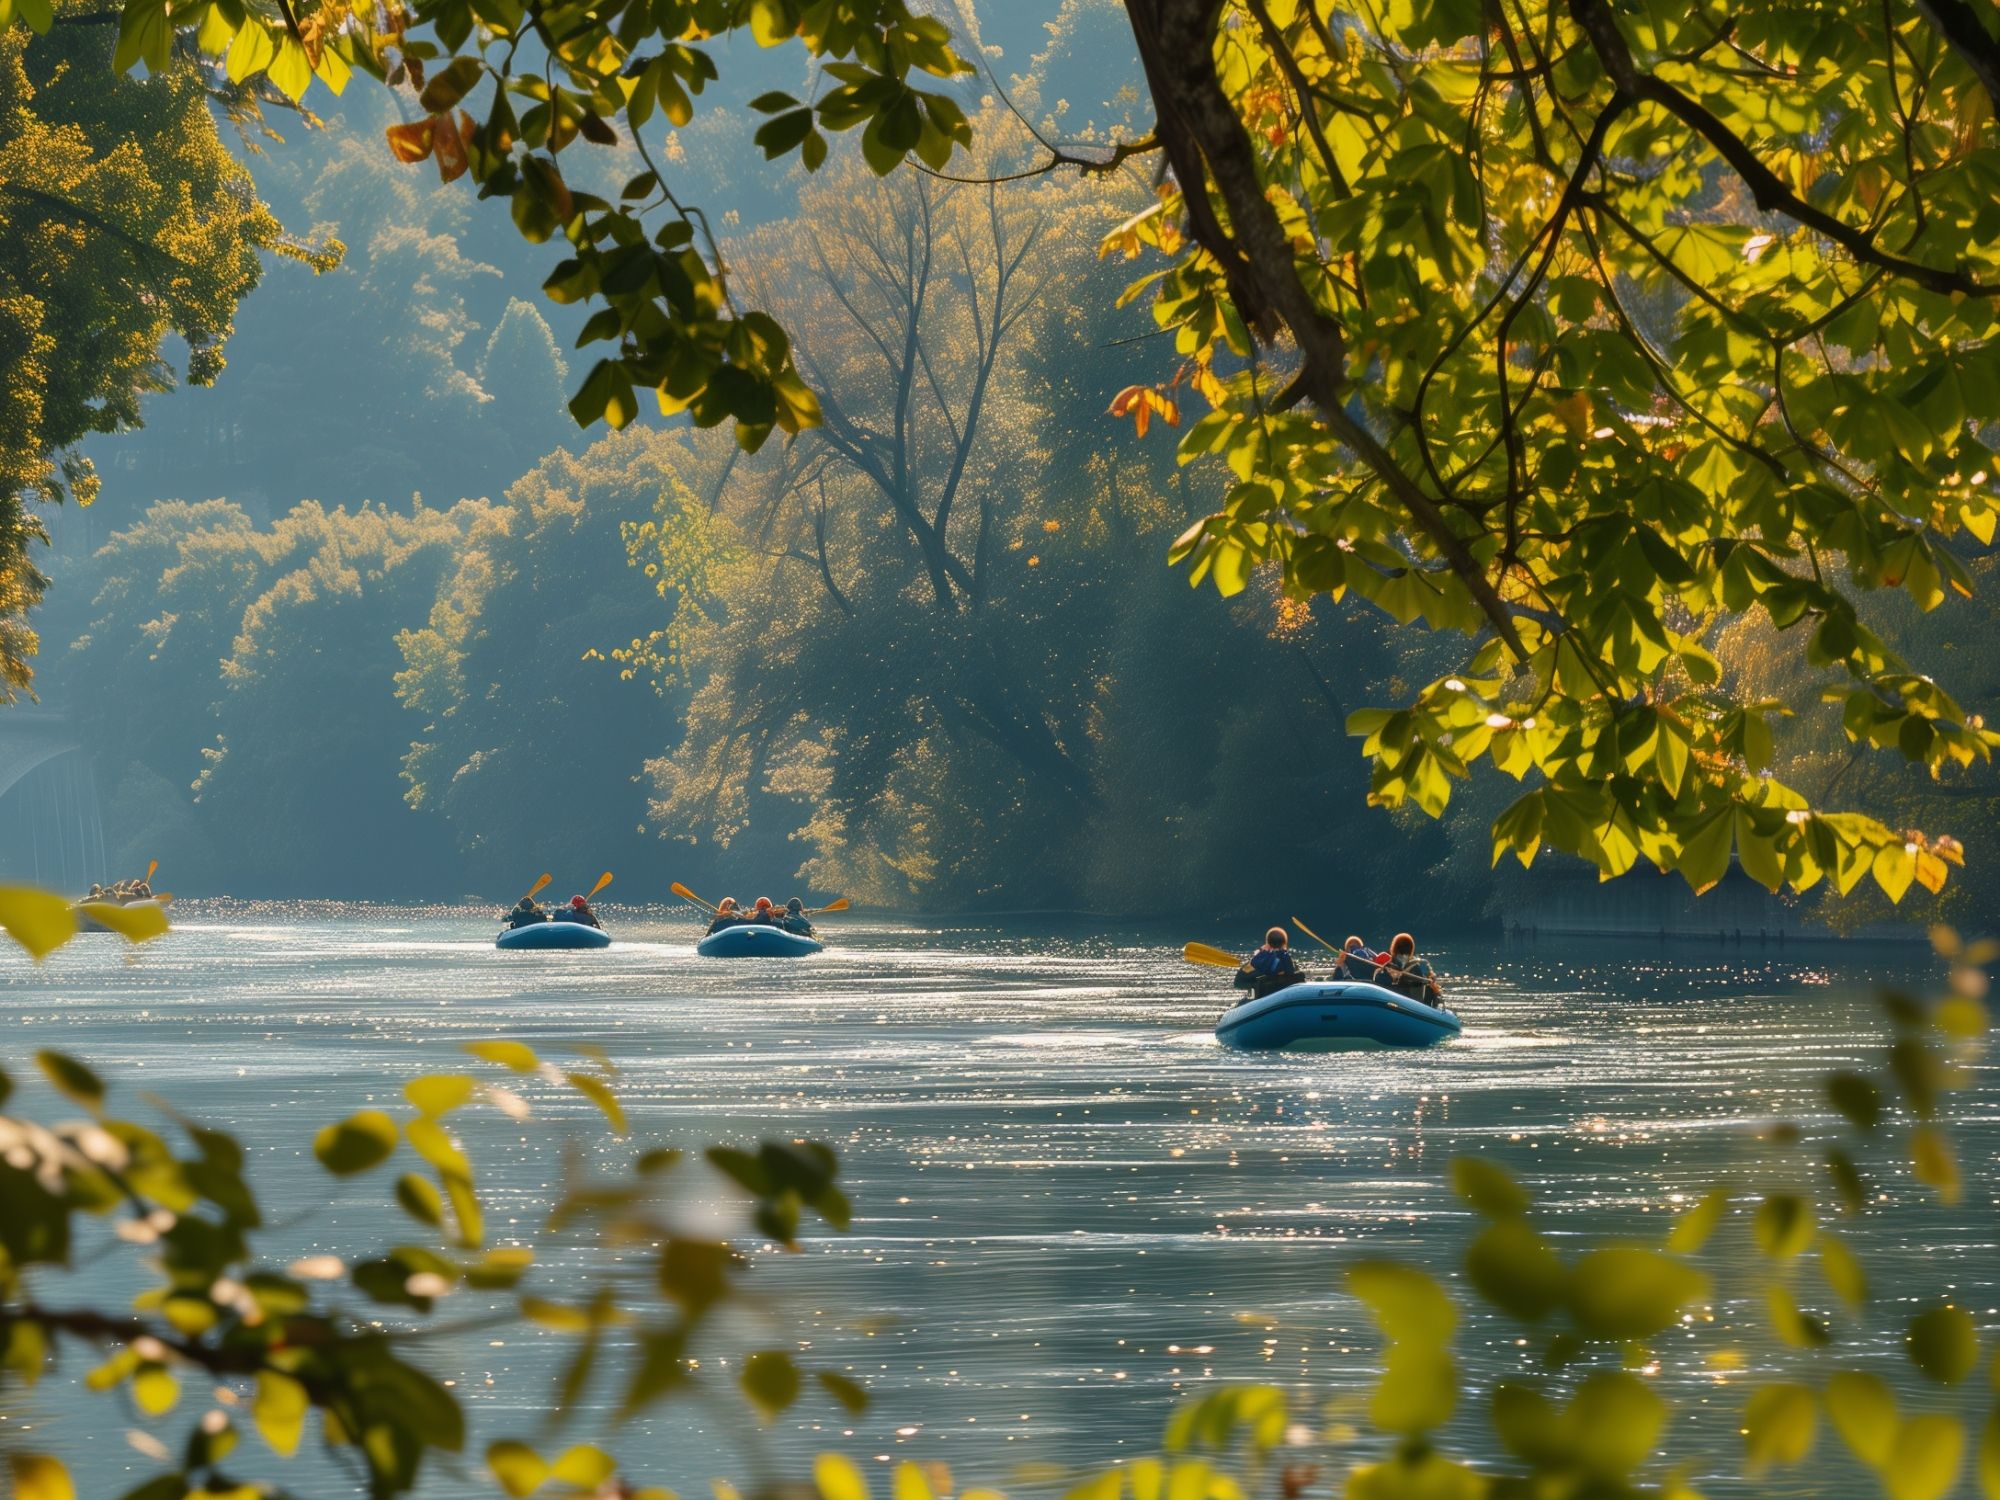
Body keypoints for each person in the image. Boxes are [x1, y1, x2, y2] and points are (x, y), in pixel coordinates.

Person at [1235, 927, 1304, 999]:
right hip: (1284, 1001)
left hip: (1263, 1003)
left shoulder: (1258, 963)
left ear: (1267, 943)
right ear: (1284, 943)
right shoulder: (1290, 964)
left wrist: (1258, 954)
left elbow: (1238, 982)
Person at [1373, 932, 1440, 1001]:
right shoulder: (1422, 964)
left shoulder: (1386, 968)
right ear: (1411, 949)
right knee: (1431, 985)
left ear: (1394, 948)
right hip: (1416, 1005)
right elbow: (1435, 987)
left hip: (1392, 1002)